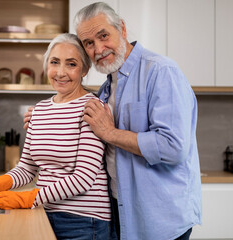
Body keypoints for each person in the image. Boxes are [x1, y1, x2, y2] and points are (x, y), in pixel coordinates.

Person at [24, 2, 202, 240]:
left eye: (103, 36)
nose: (98, 48)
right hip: (122, 211)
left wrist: (110, 132)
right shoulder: (108, 87)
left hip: (159, 217)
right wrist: (50, 118)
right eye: (89, 43)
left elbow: (173, 146)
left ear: (122, 29)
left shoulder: (160, 71)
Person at [0, 33, 114, 240]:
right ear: (46, 65)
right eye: (54, 62)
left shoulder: (92, 108)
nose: (60, 72)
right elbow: (27, 168)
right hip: (43, 212)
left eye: (71, 64)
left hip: (84, 221)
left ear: (84, 69)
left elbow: (83, 179)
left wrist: (28, 197)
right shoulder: (40, 110)